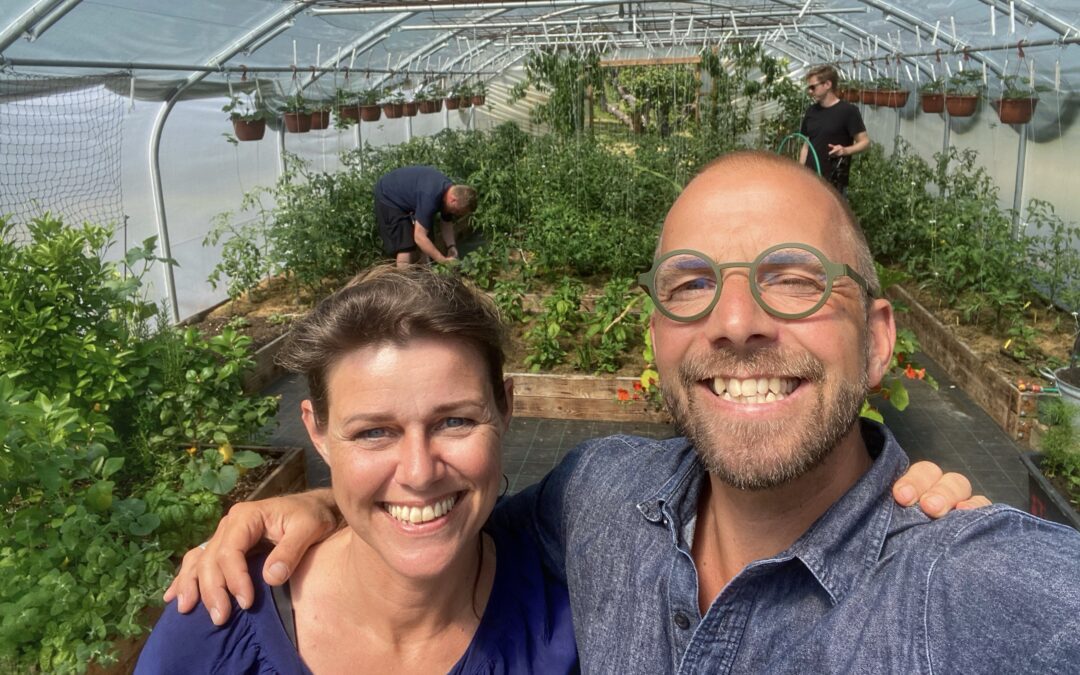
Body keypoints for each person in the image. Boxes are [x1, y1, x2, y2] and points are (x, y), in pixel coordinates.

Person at [165, 154, 1007, 668]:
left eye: (794, 278)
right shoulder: (597, 498)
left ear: (878, 341)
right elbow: (431, 514)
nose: (739, 321)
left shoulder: (990, 598)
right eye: (692, 285)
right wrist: (320, 500)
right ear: (656, 336)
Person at [136, 265, 577, 673]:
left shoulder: (575, 622)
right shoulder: (211, 625)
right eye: (373, 432)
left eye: (455, 421)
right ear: (318, 432)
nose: (419, 473)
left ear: (505, 409)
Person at [374, 165, 477, 266]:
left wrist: (451, 247)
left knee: (428, 239)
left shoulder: (448, 192)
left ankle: (425, 273)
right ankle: (405, 280)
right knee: (405, 247)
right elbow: (419, 237)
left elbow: (446, 222)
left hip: (408, 194)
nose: (456, 214)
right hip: (388, 196)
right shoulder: (430, 197)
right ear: (453, 200)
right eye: (457, 211)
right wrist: (443, 260)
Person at [799, 64, 870, 195]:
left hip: (833, 183)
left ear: (827, 84)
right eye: (809, 88)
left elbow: (865, 142)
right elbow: (806, 145)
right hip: (810, 180)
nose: (810, 91)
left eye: (813, 87)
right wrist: (801, 172)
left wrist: (844, 150)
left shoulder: (848, 111)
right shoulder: (811, 111)